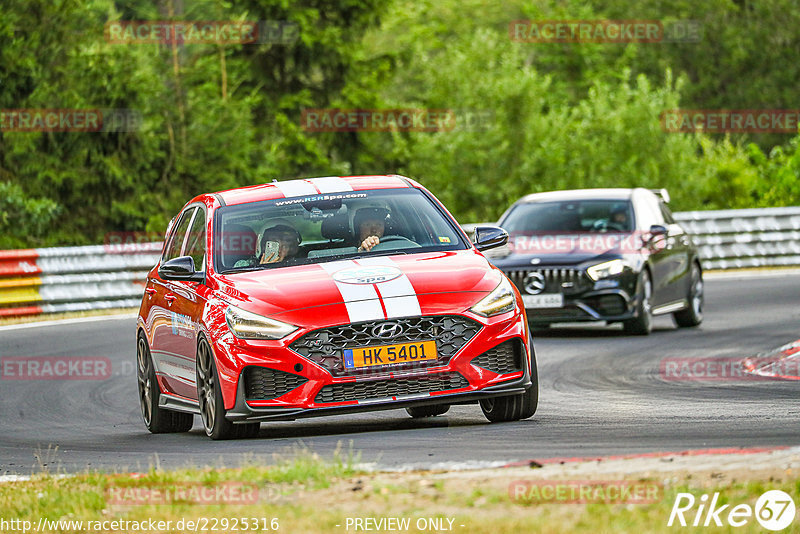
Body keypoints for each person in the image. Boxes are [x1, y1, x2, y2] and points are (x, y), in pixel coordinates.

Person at [232, 224, 301, 267]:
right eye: (273, 243)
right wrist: (261, 269)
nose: (279, 248)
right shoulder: (244, 265)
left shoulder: (303, 264)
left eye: (287, 241)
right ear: (262, 245)